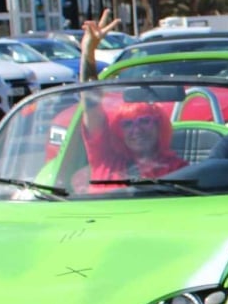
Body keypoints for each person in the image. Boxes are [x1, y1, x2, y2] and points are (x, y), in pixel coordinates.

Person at [74, 13, 187, 190]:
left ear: (159, 125)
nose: (137, 130)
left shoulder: (178, 168)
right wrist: (88, 53)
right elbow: (90, 101)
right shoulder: (105, 158)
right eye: (127, 124)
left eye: (144, 121)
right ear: (118, 131)